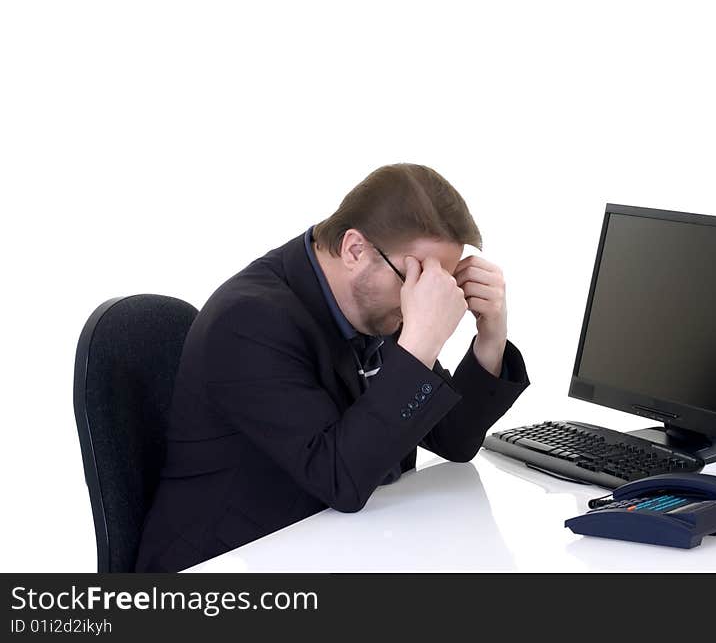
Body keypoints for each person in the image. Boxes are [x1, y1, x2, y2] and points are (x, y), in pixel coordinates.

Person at [135, 163, 531, 572]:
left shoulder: (379, 302)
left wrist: (490, 338)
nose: (428, 297)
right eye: (418, 277)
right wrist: (420, 345)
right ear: (355, 249)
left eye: (441, 282)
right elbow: (340, 478)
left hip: (331, 545)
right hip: (226, 562)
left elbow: (454, 439)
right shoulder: (249, 321)